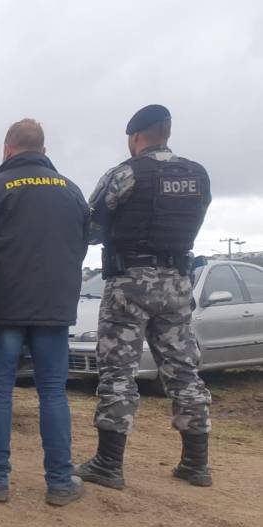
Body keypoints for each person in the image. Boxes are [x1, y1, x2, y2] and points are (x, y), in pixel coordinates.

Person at [75, 105, 213, 489]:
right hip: (178, 283)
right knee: (183, 370)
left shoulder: (126, 173)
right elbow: (196, 218)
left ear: (135, 137)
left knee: (118, 371)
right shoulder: (198, 174)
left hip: (130, 283)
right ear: (166, 132)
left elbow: (90, 226)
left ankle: (108, 463)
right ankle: (196, 463)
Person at [0, 119, 89, 506]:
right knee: (53, 391)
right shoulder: (72, 191)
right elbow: (81, 246)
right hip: (53, 307)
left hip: (2, 306)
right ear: (44, 151)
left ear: (6, 149)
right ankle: (60, 482)